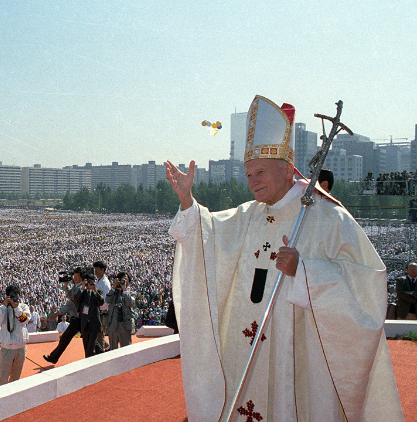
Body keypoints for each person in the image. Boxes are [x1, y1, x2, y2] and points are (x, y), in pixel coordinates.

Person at [165, 95, 403, 421]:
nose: (253, 183)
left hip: (302, 356)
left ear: (287, 168)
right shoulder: (250, 215)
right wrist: (188, 202)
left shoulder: (326, 217)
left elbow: (368, 282)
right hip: (249, 350)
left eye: (260, 172)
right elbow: (208, 234)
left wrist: (305, 273)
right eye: (248, 175)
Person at [43, 268, 85, 365]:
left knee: (89, 339)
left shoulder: (81, 288)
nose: (75, 278)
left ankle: (54, 357)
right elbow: (70, 296)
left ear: (82, 278)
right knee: (66, 338)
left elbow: (71, 303)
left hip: (79, 318)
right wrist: (66, 286)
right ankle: (54, 357)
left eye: (77, 277)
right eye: (74, 277)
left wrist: (58, 313)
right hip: (75, 318)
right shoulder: (76, 286)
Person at [0, 284, 30, 386]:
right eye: (11, 296)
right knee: (2, 379)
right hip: (7, 348)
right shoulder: (2, 308)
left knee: (15, 379)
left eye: (15, 296)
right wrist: (4, 306)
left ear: (19, 296)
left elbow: (25, 320)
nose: (13, 298)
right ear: (7, 297)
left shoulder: (23, 307)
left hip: (21, 347)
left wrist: (16, 308)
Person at [74, 272, 104, 358]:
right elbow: (76, 299)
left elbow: (101, 302)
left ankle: (88, 364)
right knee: (87, 346)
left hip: (94, 324)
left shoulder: (98, 292)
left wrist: (94, 290)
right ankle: (100, 356)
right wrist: (83, 287)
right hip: (85, 324)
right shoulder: (82, 292)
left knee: (90, 348)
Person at [104, 272, 136, 350]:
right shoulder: (114, 292)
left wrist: (124, 289)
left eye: (126, 280)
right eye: (122, 279)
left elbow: (130, 302)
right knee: (113, 350)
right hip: (113, 325)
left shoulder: (131, 293)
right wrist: (114, 287)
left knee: (126, 349)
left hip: (125, 325)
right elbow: (107, 300)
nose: (124, 281)